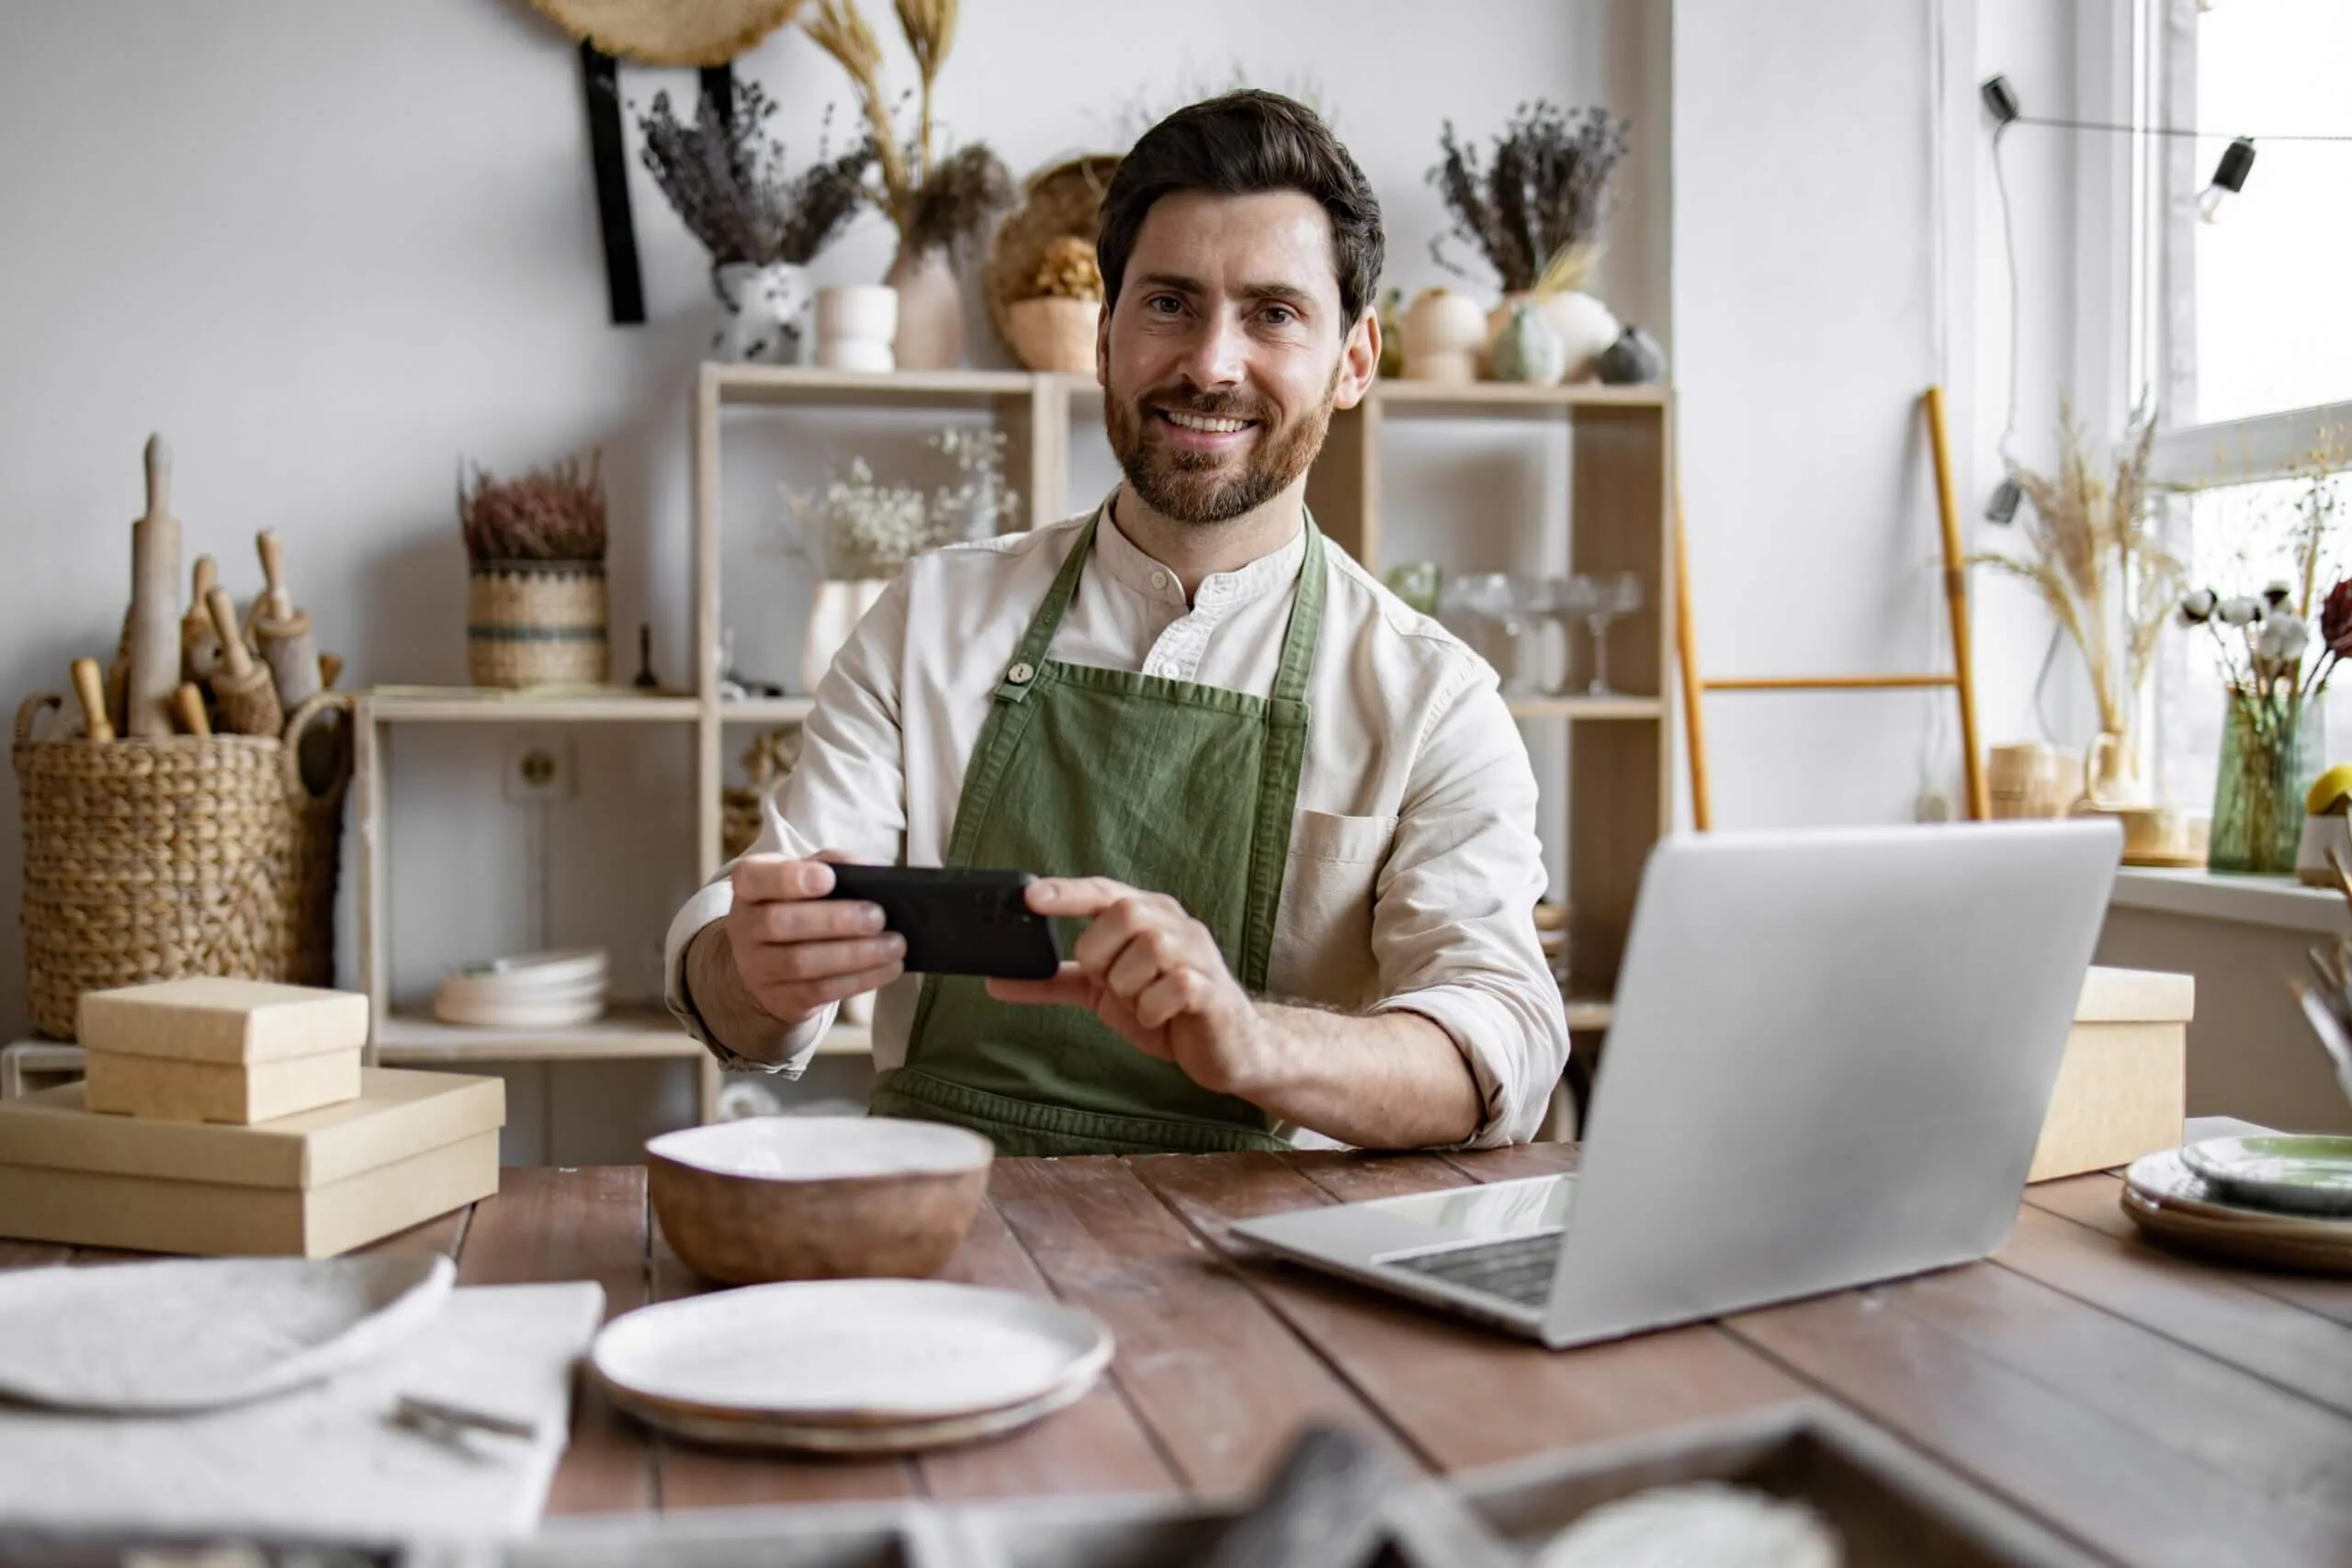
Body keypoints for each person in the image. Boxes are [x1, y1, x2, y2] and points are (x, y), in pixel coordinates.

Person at [664, 90, 1567, 1156]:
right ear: (1103, 337)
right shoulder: (931, 619)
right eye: (1169, 304)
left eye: (1274, 314)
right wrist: (752, 970)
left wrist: (1255, 1042)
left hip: (1264, 1280)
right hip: (952, 1227)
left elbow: (1499, 1042)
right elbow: (742, 985)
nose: (1211, 364)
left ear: (1354, 361)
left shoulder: (1433, 698)